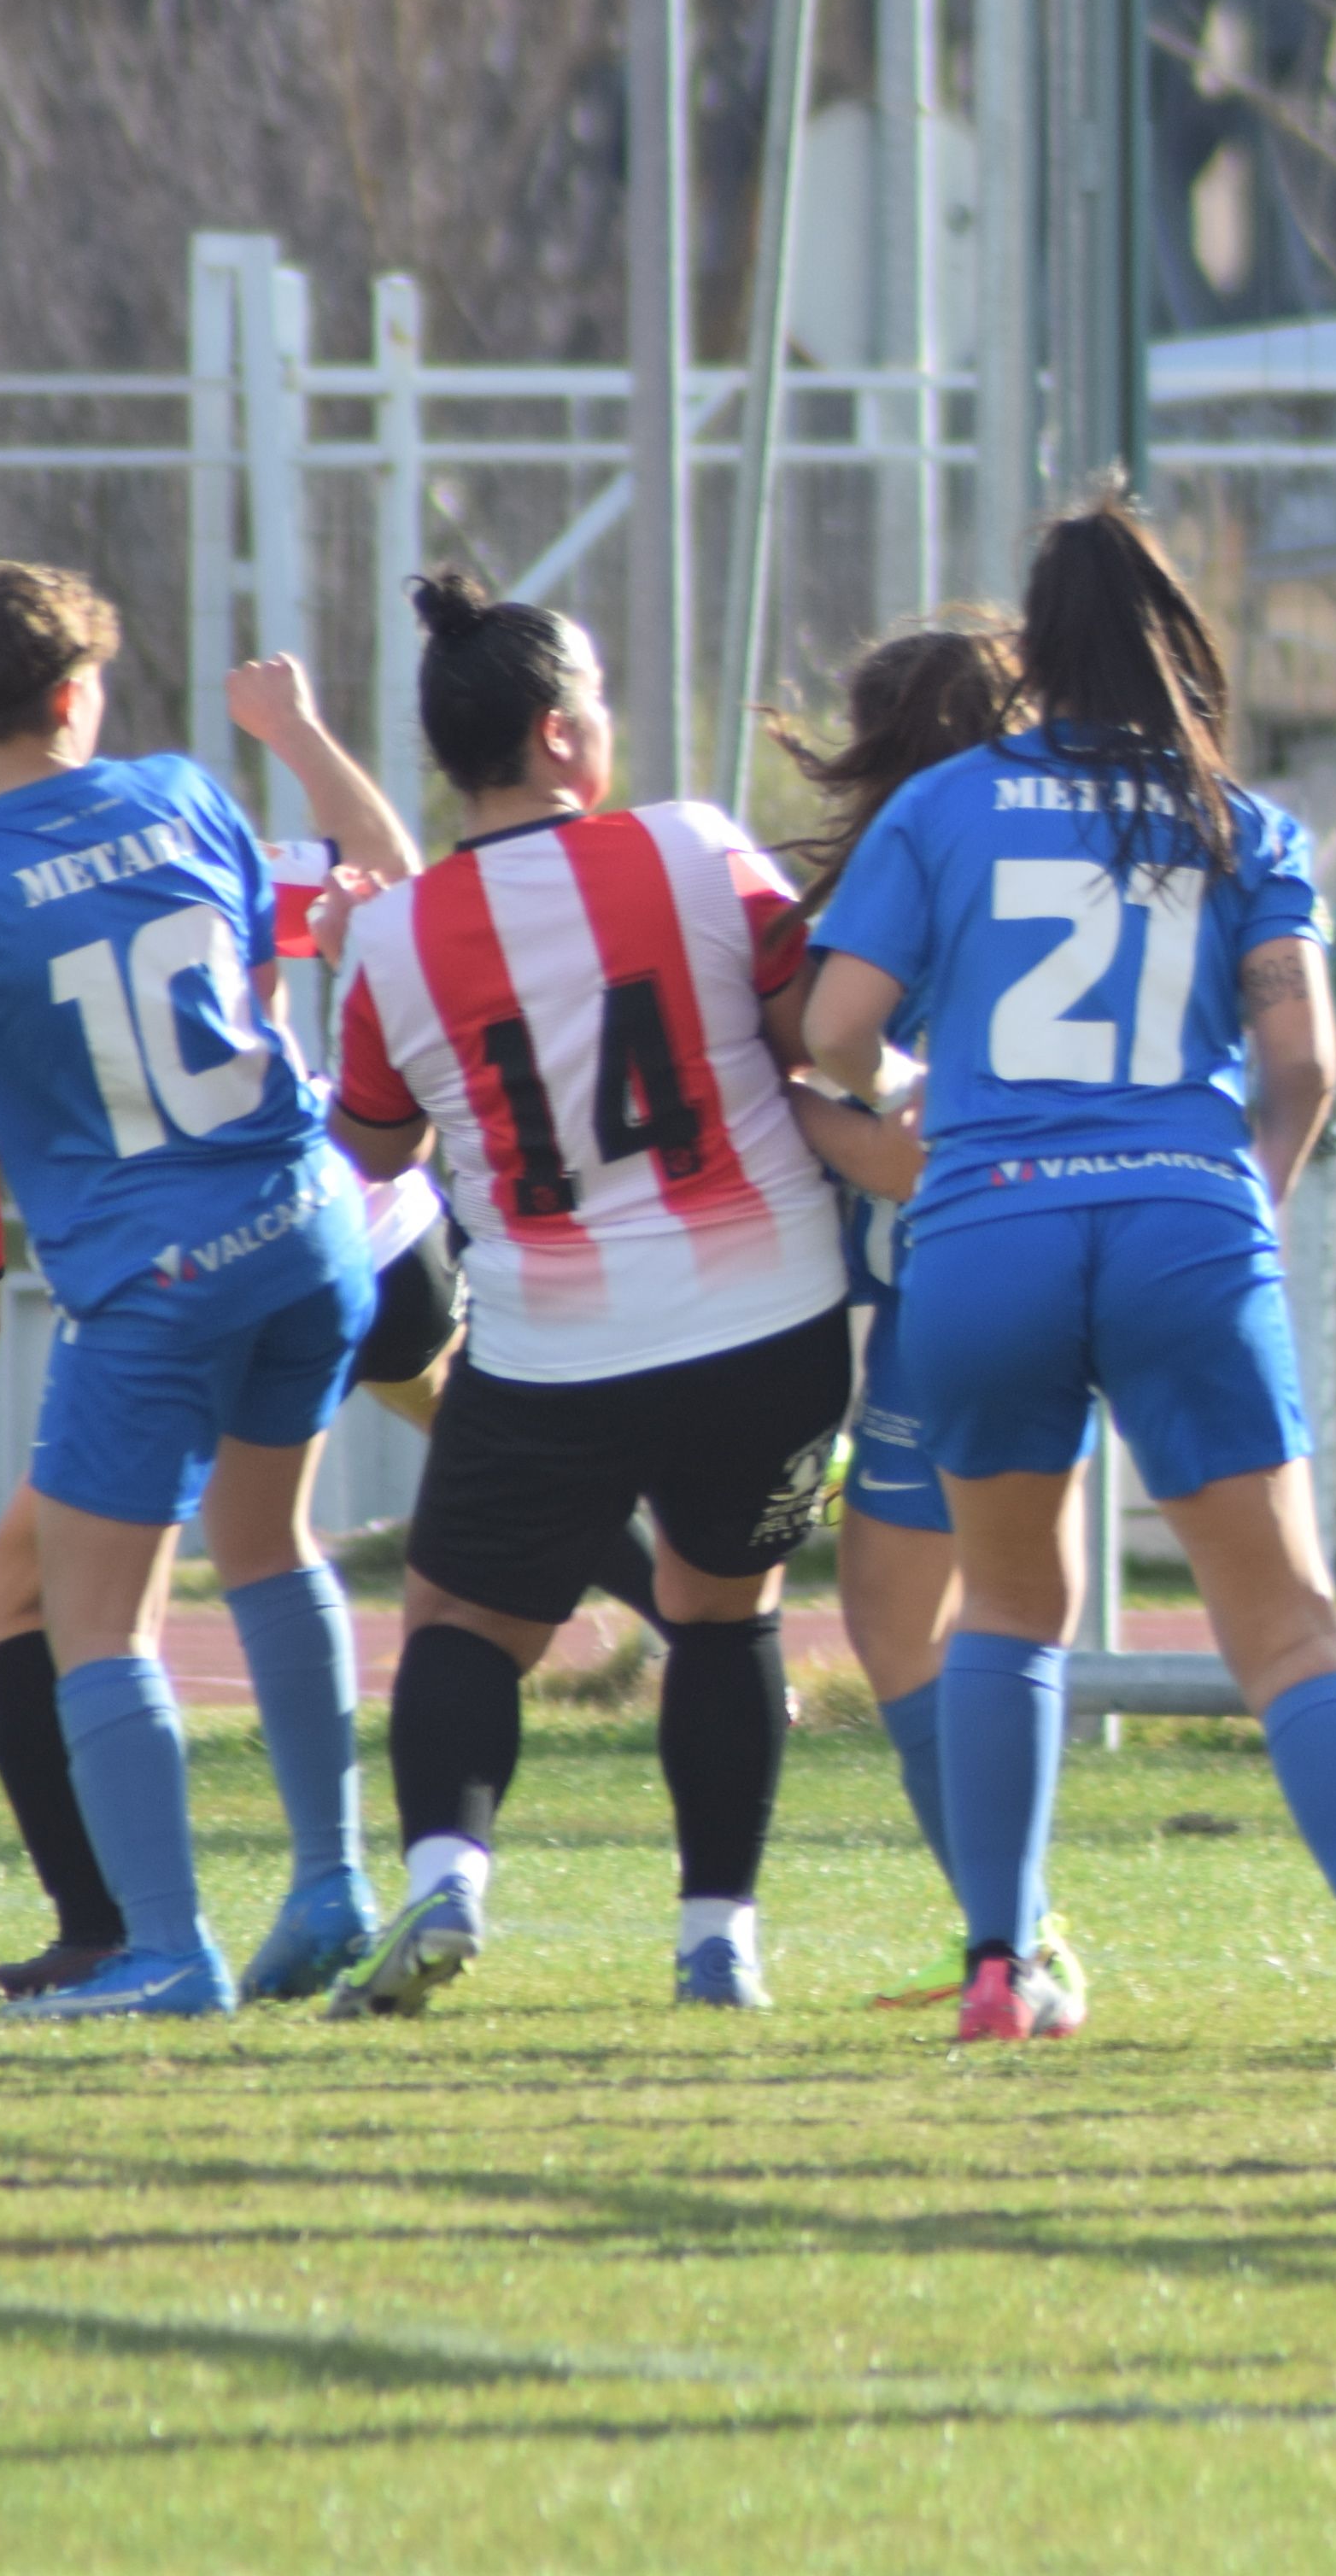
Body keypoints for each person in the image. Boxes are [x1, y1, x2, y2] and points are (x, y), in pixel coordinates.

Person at [799, 493, 1336, 2054]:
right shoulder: (1244, 823)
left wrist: (942, 1068)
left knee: (1014, 1615)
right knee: (1290, 1631)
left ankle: (1000, 1965)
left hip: (988, 1231)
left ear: (1034, 654)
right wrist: (1236, 1198)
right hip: (1186, 1223)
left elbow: (837, 1033)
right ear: (1183, 642)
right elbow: (1303, 1061)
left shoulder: (948, 806)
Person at [0, 655, 463, 2005]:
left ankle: (141, 1944)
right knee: (294, 1534)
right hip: (332, 1217)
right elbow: (377, 878)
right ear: (72, 699)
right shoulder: (182, 819)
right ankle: (327, 1887)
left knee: (63, 1602)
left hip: (166, 1280)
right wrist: (302, 731)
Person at [319, 576, 860, 2016]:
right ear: (562, 735)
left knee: (459, 1624)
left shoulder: (394, 940)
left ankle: (447, 1876)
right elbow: (816, 1025)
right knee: (726, 1615)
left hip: (559, 1343)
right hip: (773, 1316)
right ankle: (716, 1942)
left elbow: (373, 1147)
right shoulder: (694, 848)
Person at [752, 618, 1044, 2009]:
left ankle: (1019, 1935)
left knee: (912, 1615)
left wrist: (795, 1104)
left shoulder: (917, 874)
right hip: (1034, 1267)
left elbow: (913, 1148)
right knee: (957, 1612)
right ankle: (1013, 1929)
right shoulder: (1026, 856)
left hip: (965, 1279)